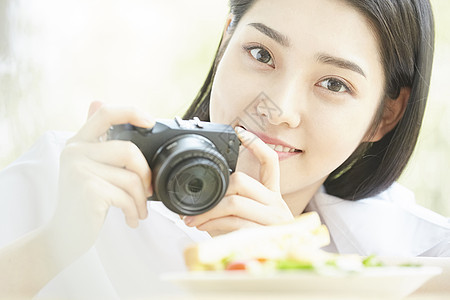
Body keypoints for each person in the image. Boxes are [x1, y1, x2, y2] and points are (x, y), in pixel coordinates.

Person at [1, 0, 449, 298]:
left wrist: (291, 280)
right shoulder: (66, 179)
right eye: (260, 54)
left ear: (385, 115)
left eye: (333, 84)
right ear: (225, 41)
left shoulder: (421, 261)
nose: (279, 109)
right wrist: (53, 244)